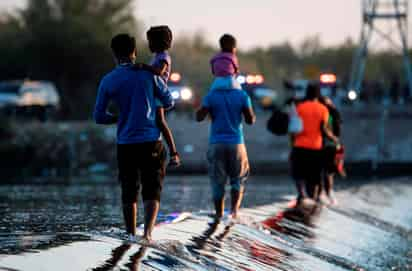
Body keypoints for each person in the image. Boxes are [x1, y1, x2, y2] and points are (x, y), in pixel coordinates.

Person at [94, 33, 174, 243]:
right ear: (134, 52)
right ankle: (147, 234)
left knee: (129, 189)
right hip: (151, 141)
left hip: (126, 142)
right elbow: (169, 101)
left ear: (114, 54)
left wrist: (119, 117)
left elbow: (99, 116)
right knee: (152, 187)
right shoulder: (149, 75)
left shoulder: (108, 80)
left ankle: (130, 234)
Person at [196, 54, 256, 221]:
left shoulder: (211, 95)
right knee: (237, 180)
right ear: (233, 74)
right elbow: (250, 120)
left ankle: (219, 214)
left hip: (216, 143)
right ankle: (234, 213)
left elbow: (199, 117)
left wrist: (206, 107)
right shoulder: (242, 96)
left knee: (217, 181)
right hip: (237, 143)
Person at [134, 25, 181, 167]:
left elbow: (159, 72)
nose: (149, 44)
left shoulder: (163, 57)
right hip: (152, 92)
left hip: (158, 94)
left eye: (150, 41)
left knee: (160, 122)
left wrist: (143, 67)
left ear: (158, 42)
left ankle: (174, 153)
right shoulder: (157, 56)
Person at [290, 83, 339, 205]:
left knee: (298, 172)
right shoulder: (323, 109)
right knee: (315, 175)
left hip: (299, 146)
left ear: (306, 94)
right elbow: (324, 129)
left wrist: (293, 143)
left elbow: (293, 127)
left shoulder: (300, 108)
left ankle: (301, 195)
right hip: (315, 147)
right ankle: (315, 198)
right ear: (318, 95)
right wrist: (334, 138)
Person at [319, 96, 343, 205]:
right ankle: (328, 194)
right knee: (329, 173)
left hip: (323, 145)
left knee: (323, 171)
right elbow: (338, 131)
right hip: (331, 145)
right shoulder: (334, 112)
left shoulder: (323, 113)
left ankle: (323, 193)